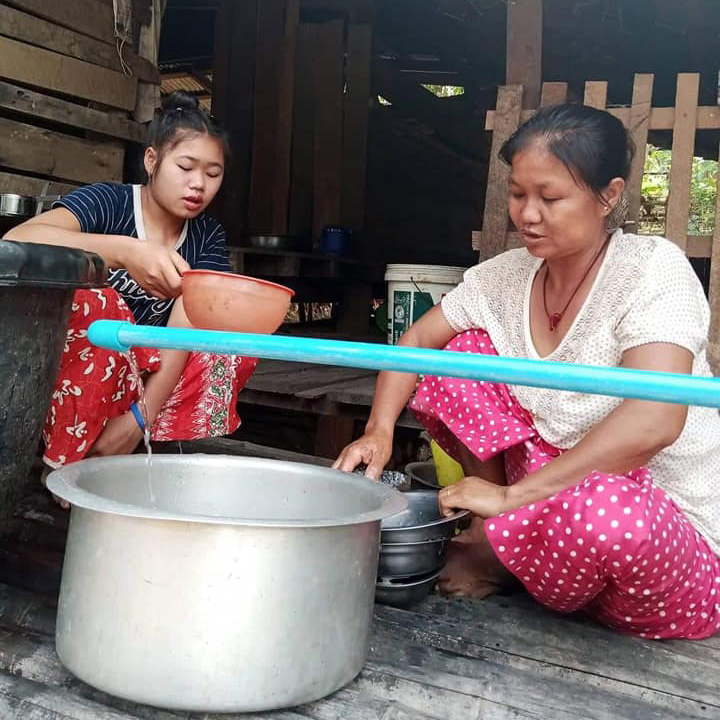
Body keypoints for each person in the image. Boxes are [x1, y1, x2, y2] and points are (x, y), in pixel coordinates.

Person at [335, 104, 720, 640]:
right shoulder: (506, 277)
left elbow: (656, 420)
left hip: (658, 539)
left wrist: (512, 498)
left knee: (605, 512)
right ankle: (505, 548)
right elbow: (420, 342)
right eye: (518, 194)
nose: (527, 215)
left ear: (609, 194)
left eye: (550, 197)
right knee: (461, 356)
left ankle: (502, 547)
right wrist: (378, 430)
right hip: (556, 506)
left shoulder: (651, 270)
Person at [3, 91, 257, 486]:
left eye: (213, 174)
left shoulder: (206, 235)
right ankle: (66, 460)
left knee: (226, 349)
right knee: (101, 304)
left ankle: (140, 446)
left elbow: (186, 329)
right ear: (152, 161)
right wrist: (123, 252)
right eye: (186, 167)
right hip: (70, 369)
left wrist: (139, 418)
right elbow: (20, 238)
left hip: (140, 379)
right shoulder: (110, 203)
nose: (198, 185)